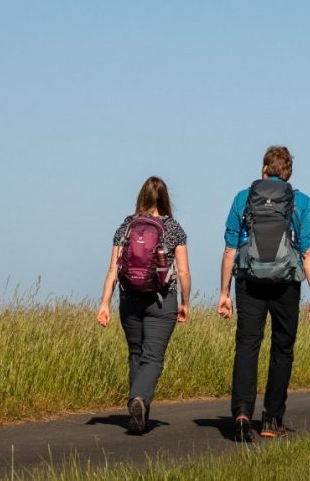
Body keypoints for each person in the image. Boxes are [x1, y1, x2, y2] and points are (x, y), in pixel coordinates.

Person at [218, 145, 310, 441]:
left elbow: (230, 248)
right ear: (288, 173)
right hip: (286, 284)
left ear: (264, 168)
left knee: (247, 345)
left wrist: (224, 292)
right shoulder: (300, 201)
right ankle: (272, 419)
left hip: (248, 280)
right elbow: (309, 250)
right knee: (282, 347)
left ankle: (240, 414)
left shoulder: (243, 197)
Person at [95, 176, 191, 435]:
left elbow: (113, 270)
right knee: (153, 356)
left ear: (140, 197)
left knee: (136, 353)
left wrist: (104, 303)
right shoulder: (173, 228)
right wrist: (185, 301)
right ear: (166, 199)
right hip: (162, 300)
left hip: (129, 299)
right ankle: (139, 398)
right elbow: (182, 271)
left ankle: (139, 411)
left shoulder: (125, 227)